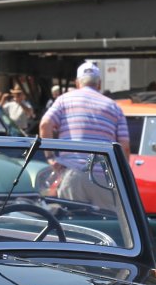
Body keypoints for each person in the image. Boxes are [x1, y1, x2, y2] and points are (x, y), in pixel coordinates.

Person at [39, 61, 127, 205]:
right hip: (103, 176)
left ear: (77, 82)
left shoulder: (63, 100)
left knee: (74, 218)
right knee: (107, 219)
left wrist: (50, 157)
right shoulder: (114, 107)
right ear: (99, 84)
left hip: (73, 173)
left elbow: (45, 124)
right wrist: (123, 175)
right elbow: (124, 146)